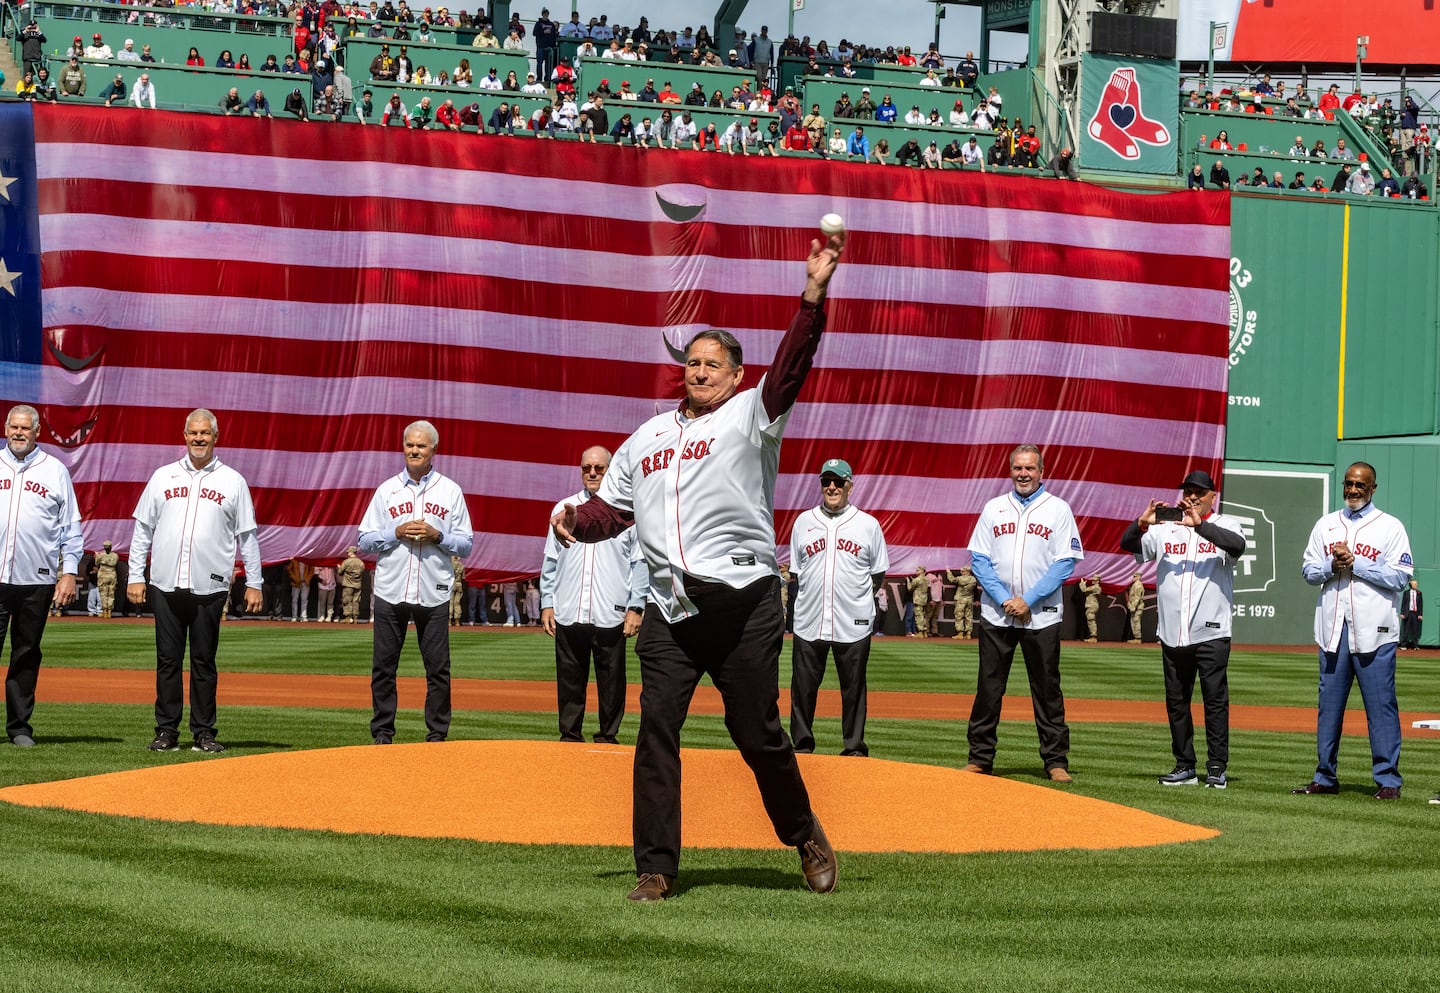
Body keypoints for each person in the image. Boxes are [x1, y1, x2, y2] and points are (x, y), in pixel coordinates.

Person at [550, 231, 846, 902]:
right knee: (656, 727)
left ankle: (804, 833)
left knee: (757, 733)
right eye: (693, 362)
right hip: (672, 611)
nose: (701, 370)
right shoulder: (647, 436)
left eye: (714, 363)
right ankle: (656, 866)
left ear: (738, 375)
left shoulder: (752, 415)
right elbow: (613, 510)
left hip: (743, 605)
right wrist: (574, 521)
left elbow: (793, 364)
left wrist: (813, 296)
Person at [127, 409, 264, 754]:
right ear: (184, 435)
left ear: (216, 437)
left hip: (211, 584)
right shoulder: (162, 477)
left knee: (204, 662)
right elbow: (143, 530)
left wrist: (255, 582)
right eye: (193, 433)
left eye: (205, 433)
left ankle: (204, 732)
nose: (199, 439)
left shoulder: (233, 481)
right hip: (165, 582)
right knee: (168, 661)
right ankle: (167, 731)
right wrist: (134, 576)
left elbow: (247, 537)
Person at [964, 444, 1083, 783]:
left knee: (1047, 689)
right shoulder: (994, 508)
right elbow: (980, 561)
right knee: (989, 688)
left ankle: (1055, 761)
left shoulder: (1058, 509)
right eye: (1018, 468)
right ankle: (980, 757)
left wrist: (1028, 599)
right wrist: (1006, 600)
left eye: (1030, 468)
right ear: (1010, 470)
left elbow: (1064, 564)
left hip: (1041, 614)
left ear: (1041, 472)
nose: (1023, 474)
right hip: (997, 614)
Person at [1293, 462, 1411, 800]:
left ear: (1373, 488)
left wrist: (1357, 563)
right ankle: (1324, 776)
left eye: (1361, 485)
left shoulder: (1390, 527)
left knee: (1381, 706)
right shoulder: (1327, 524)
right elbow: (1308, 570)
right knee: (1328, 708)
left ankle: (1388, 780)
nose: (1353, 490)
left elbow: (1400, 576)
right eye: (1349, 484)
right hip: (1333, 629)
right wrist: (1333, 565)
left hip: (1374, 631)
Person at [1120, 470, 1245, 789]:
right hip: (1173, 632)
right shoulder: (1166, 530)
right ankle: (1184, 765)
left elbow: (1237, 545)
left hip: (1212, 631)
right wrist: (1143, 521)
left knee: (1215, 701)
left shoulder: (1225, 524)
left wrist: (1200, 526)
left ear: (1212, 497)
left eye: (1199, 492)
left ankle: (1217, 766)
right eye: (1188, 491)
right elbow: (1129, 544)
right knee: (1177, 702)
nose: (1192, 496)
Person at [358, 420, 473, 745]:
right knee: (383, 668)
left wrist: (438, 536)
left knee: (437, 670)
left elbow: (466, 543)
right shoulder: (387, 490)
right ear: (403, 447)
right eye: (410, 444)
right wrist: (393, 533)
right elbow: (364, 539)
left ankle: (437, 734)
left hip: (433, 590)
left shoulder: (450, 491)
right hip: (391, 588)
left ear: (433, 450)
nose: (414, 450)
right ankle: (382, 733)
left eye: (421, 446)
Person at [540, 446, 645, 744]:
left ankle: (607, 736)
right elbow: (551, 559)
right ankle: (570, 735)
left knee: (612, 680)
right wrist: (547, 601)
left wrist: (636, 606)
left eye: (599, 468)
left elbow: (640, 562)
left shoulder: (627, 511)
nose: (593, 473)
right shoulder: (564, 507)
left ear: (610, 470)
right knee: (569, 678)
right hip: (570, 605)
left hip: (610, 608)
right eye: (587, 467)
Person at [788, 458, 888, 757]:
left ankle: (854, 746)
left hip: (852, 619)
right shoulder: (803, 522)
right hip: (810, 618)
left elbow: (878, 572)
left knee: (853, 688)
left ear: (849, 486)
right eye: (826, 481)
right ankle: (802, 745)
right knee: (803, 688)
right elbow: (796, 570)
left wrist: (856, 598)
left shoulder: (867, 524)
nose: (832, 487)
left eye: (838, 482)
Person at [0, 406, 83, 748]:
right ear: (6, 428)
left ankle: (19, 727)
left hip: (37, 579)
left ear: (37, 432)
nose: (19, 433)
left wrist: (70, 573)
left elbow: (70, 528)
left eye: (26, 428)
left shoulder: (55, 470)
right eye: (14, 427)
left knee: (26, 653)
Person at [946, 566, 976, 639]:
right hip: (969, 599)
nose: (961, 572)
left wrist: (948, 572)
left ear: (966, 572)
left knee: (959, 616)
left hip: (960, 599)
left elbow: (952, 580)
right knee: (968, 616)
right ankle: (968, 633)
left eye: (962, 571)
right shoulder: (973, 579)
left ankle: (960, 633)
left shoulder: (961, 579)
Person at [338, 546, 365, 622]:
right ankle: (355, 617)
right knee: (356, 601)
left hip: (348, 584)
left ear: (351, 552)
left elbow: (340, 572)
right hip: (357, 584)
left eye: (348, 552)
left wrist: (339, 568)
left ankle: (348, 617)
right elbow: (361, 571)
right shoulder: (360, 562)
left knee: (347, 600)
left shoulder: (346, 562)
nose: (347, 553)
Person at [95, 540, 119, 618]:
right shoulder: (115, 556)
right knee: (111, 594)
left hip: (103, 576)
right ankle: (109, 611)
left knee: (104, 594)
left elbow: (97, 563)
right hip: (112, 575)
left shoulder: (101, 555)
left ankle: (105, 610)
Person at [287, 556, 314, 621]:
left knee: (304, 600)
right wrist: (294, 578)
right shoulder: (294, 560)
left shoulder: (307, 560)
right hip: (296, 583)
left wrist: (308, 579)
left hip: (305, 583)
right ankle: (294, 616)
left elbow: (312, 570)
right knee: (294, 600)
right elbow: (289, 569)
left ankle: (303, 616)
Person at [1400, 580, 1423, 649]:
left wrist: (1420, 614)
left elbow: (1421, 604)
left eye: (1416, 584)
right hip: (1407, 613)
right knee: (1406, 630)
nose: (1416, 585)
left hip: (1415, 614)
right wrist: (1402, 613)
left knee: (1415, 630)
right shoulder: (1406, 593)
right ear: (1411, 585)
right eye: (1415, 584)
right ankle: (1404, 645)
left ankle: (1415, 645)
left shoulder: (1419, 593)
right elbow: (1403, 604)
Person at [1079, 574, 1101, 642]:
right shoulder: (1095, 587)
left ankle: (1093, 637)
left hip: (1092, 605)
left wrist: (1082, 584)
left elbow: (1084, 590)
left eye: (1095, 580)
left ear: (1098, 581)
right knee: (1090, 620)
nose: (1093, 581)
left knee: (1091, 620)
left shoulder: (1095, 587)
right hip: (1091, 604)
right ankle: (1092, 636)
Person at [1126, 571, 1145, 643]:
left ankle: (1138, 638)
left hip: (1137, 607)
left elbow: (1137, 597)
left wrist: (1133, 607)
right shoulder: (1134, 585)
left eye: (1135, 577)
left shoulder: (1138, 585)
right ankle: (1136, 637)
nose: (1133, 578)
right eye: (1133, 576)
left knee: (1136, 621)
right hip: (1134, 606)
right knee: (1133, 621)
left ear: (1139, 577)